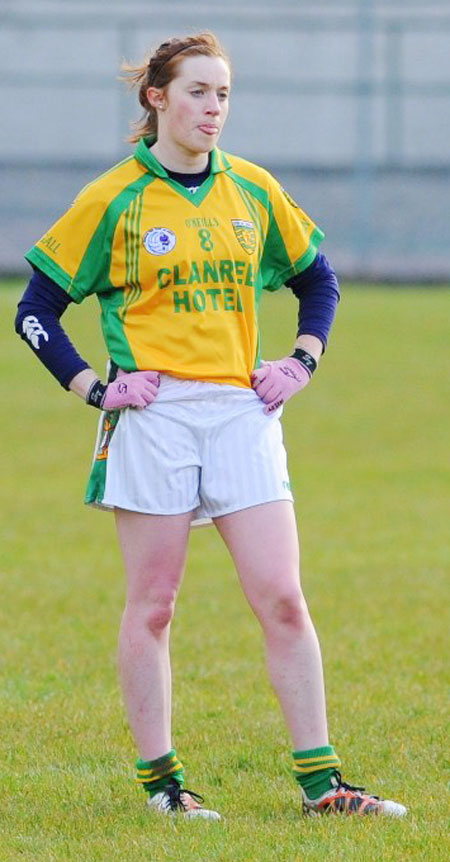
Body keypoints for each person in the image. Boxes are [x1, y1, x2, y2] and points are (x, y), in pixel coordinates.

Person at [15, 32, 406, 820]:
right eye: (197, 92)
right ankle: (165, 788)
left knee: (284, 600)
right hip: (154, 419)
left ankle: (324, 787)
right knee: (153, 605)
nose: (213, 108)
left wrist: (300, 361)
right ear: (156, 97)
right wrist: (96, 389)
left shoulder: (252, 190)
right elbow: (36, 310)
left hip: (241, 413)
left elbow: (317, 279)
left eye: (223, 94)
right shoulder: (114, 198)